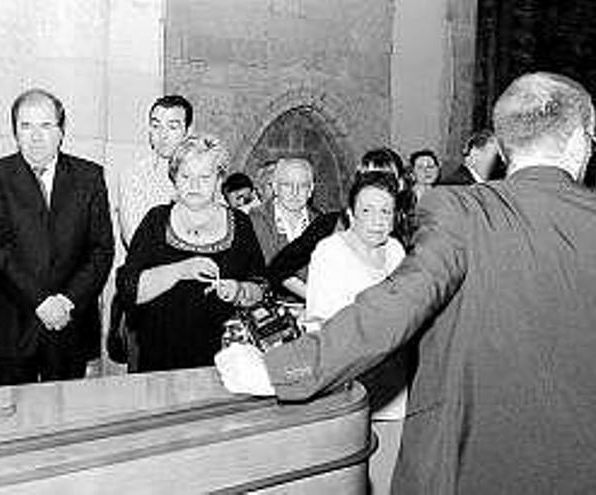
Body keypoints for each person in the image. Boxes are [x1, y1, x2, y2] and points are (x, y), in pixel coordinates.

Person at [218, 72, 596, 493]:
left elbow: (394, 307)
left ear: (505, 146)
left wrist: (278, 370)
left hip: (466, 465)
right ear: (580, 140)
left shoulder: (462, 211)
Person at [0, 89, 114, 385]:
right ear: (15, 132)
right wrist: (40, 302)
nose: (35, 136)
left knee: (68, 421)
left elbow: (101, 250)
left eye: (45, 126)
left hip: (71, 324)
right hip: (16, 325)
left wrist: (67, 301)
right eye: (25, 126)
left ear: (61, 131)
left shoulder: (89, 177)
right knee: (15, 423)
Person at [116, 135, 265, 372]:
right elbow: (129, 290)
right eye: (186, 176)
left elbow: (262, 288)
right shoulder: (156, 220)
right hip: (159, 356)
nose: (194, 186)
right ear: (174, 178)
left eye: (204, 178)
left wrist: (239, 290)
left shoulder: (241, 223)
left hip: (225, 360)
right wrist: (180, 270)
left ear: (219, 180)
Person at [304, 171, 407, 495]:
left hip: (394, 384)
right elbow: (322, 324)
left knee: (388, 476)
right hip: (350, 383)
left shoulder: (396, 250)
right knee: (348, 479)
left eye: (385, 211)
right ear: (350, 213)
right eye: (367, 210)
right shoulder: (330, 252)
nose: (377, 221)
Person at [266, 147, 412, 299]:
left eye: (382, 178)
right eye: (366, 178)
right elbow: (279, 268)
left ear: (400, 184)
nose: (373, 186)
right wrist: (317, 299)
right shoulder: (331, 223)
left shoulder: (411, 233)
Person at [116, 95, 192, 247]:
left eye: (172, 127)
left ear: (188, 132)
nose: (163, 135)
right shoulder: (134, 176)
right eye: (156, 126)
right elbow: (135, 239)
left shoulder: (202, 174)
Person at [249, 157, 320, 264]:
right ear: (275, 187)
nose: (294, 192)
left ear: (310, 190)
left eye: (302, 185)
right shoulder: (255, 219)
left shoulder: (321, 223)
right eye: (287, 185)